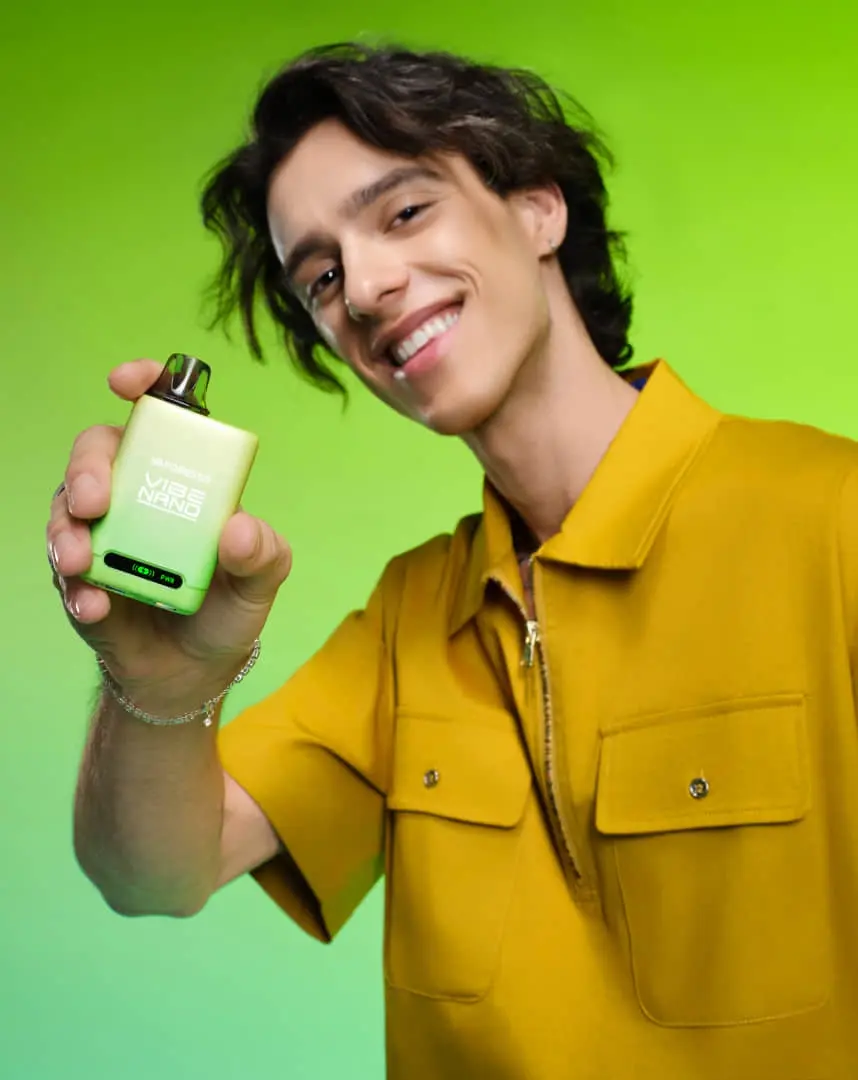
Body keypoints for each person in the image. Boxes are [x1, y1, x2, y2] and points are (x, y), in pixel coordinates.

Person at [49, 42, 858, 1080]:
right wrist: (156, 684)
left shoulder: (832, 516)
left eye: (404, 212)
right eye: (322, 277)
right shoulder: (410, 613)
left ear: (538, 211)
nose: (367, 287)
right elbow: (152, 873)